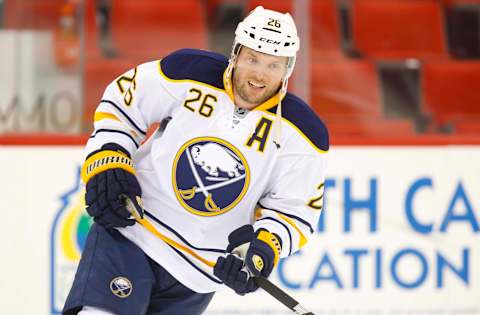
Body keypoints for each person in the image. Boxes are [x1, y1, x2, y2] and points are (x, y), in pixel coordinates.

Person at [63, 5, 329, 315]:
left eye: (273, 65)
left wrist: (264, 248)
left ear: (288, 69)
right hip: (132, 231)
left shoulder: (304, 135)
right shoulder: (190, 72)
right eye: (252, 58)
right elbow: (124, 101)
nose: (260, 74)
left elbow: (294, 213)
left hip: (198, 275)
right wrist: (109, 158)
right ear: (236, 53)